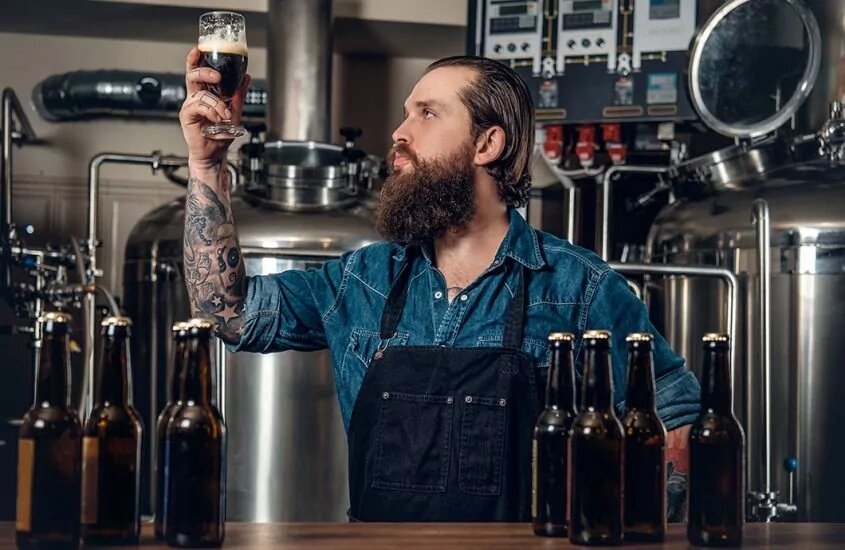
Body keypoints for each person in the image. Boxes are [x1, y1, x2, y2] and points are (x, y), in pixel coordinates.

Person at [179, 48, 700, 522]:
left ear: (487, 143)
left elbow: (677, 415)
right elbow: (231, 314)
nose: (399, 132)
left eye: (426, 113)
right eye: (406, 113)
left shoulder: (579, 286)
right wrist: (207, 165)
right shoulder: (361, 280)